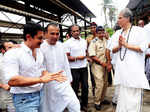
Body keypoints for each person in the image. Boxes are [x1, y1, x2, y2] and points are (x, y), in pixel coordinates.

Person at [3, 21, 66, 112]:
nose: (42, 41)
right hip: (24, 99)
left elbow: (41, 69)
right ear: (28, 37)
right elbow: (12, 80)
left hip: (40, 95)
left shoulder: (39, 52)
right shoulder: (13, 54)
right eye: (40, 38)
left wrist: (50, 76)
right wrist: (40, 80)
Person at [110, 8, 149, 112]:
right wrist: (119, 46)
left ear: (127, 18)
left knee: (134, 100)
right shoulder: (118, 33)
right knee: (123, 100)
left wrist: (126, 45)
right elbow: (112, 50)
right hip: (123, 72)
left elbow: (142, 48)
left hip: (134, 72)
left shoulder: (139, 31)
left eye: (120, 18)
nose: (117, 20)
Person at [40, 23, 80, 112]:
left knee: (75, 104)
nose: (55, 36)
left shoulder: (61, 46)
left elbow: (65, 64)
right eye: (52, 33)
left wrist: (69, 80)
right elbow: (40, 67)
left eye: (57, 34)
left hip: (63, 81)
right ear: (45, 34)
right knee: (50, 108)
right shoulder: (40, 47)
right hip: (48, 84)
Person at [64, 24, 88, 112]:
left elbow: (86, 53)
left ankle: (84, 105)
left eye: (77, 30)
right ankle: (76, 106)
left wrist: (86, 57)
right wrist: (78, 58)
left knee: (85, 86)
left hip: (84, 67)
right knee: (75, 87)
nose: (76, 32)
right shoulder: (67, 43)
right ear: (70, 32)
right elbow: (67, 58)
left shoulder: (84, 41)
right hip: (73, 68)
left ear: (80, 31)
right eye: (74, 31)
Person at [88, 26, 109, 110]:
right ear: (96, 33)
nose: (101, 34)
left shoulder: (105, 40)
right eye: (99, 33)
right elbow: (92, 55)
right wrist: (101, 63)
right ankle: (97, 102)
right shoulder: (94, 42)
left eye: (102, 32)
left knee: (105, 83)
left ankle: (102, 99)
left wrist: (108, 63)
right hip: (97, 66)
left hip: (105, 65)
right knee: (99, 84)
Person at [0, 41, 16, 112]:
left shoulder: (17, 59)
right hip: (4, 95)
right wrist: (2, 85)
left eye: (13, 47)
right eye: (9, 48)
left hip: (18, 96)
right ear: (3, 50)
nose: (13, 49)